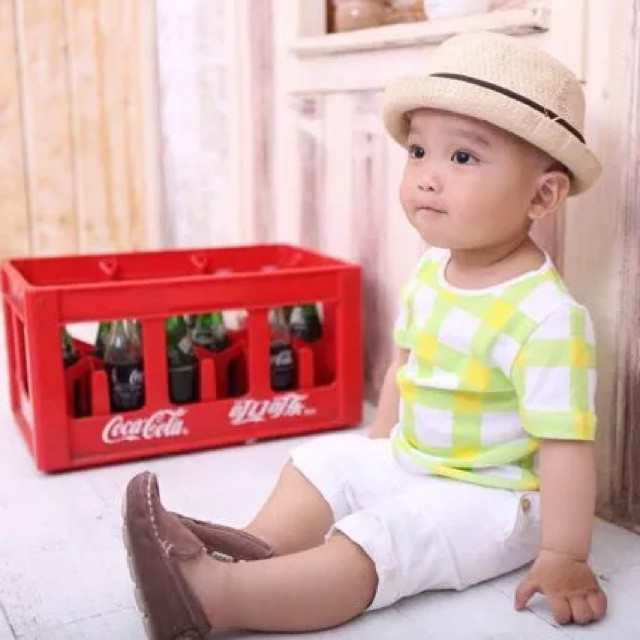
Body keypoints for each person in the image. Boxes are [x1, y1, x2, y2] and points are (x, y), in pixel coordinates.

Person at [122, 31, 608, 639]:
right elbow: (404, 368)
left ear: (543, 194)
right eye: (419, 151)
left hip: (495, 497)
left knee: (384, 540)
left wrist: (564, 554)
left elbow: (565, 446)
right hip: (419, 459)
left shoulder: (547, 316)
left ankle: (218, 598)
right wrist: (374, 460)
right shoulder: (432, 269)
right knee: (321, 462)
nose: (427, 177)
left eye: (462, 158)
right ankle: (255, 550)